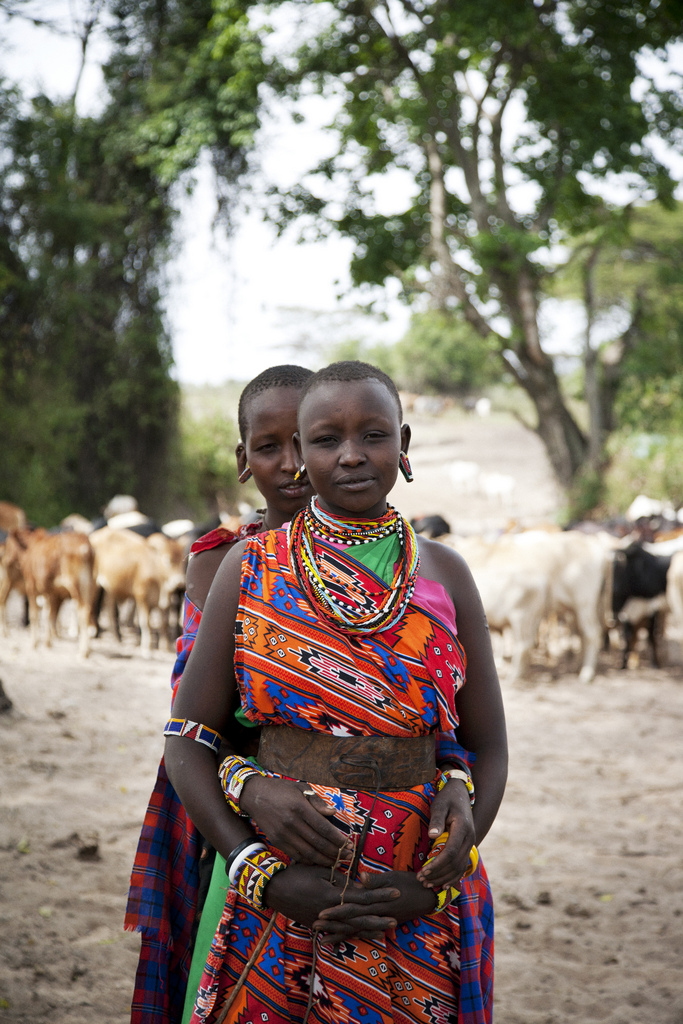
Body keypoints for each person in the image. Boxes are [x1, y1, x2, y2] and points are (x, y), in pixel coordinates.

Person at [165, 361, 508, 1024]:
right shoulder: (250, 565)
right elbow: (189, 737)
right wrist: (255, 867)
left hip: (408, 891)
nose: (351, 454)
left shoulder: (445, 573)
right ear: (300, 450)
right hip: (283, 885)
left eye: (373, 435)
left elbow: (487, 745)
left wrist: (438, 877)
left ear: (403, 445)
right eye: (324, 440)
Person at [126, 364, 318, 1024]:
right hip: (239, 823)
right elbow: (198, 720)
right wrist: (246, 789)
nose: (292, 466)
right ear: (244, 460)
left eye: (305, 441)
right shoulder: (219, 560)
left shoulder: (398, 560)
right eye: (269, 448)